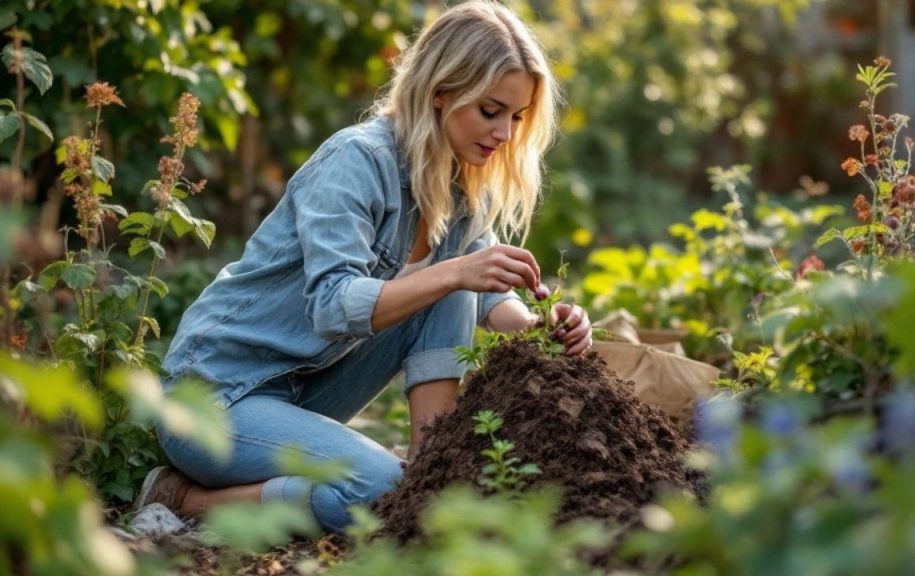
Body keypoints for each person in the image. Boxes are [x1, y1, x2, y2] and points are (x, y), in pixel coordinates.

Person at [135, 0, 592, 533]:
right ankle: (185, 496)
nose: (505, 134)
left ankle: (430, 467)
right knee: (378, 489)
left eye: (516, 118)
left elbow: (487, 295)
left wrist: (539, 326)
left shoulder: (463, 182)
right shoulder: (356, 161)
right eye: (491, 111)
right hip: (216, 397)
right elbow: (333, 305)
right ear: (440, 93)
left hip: (307, 388)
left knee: (455, 281)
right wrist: (455, 273)